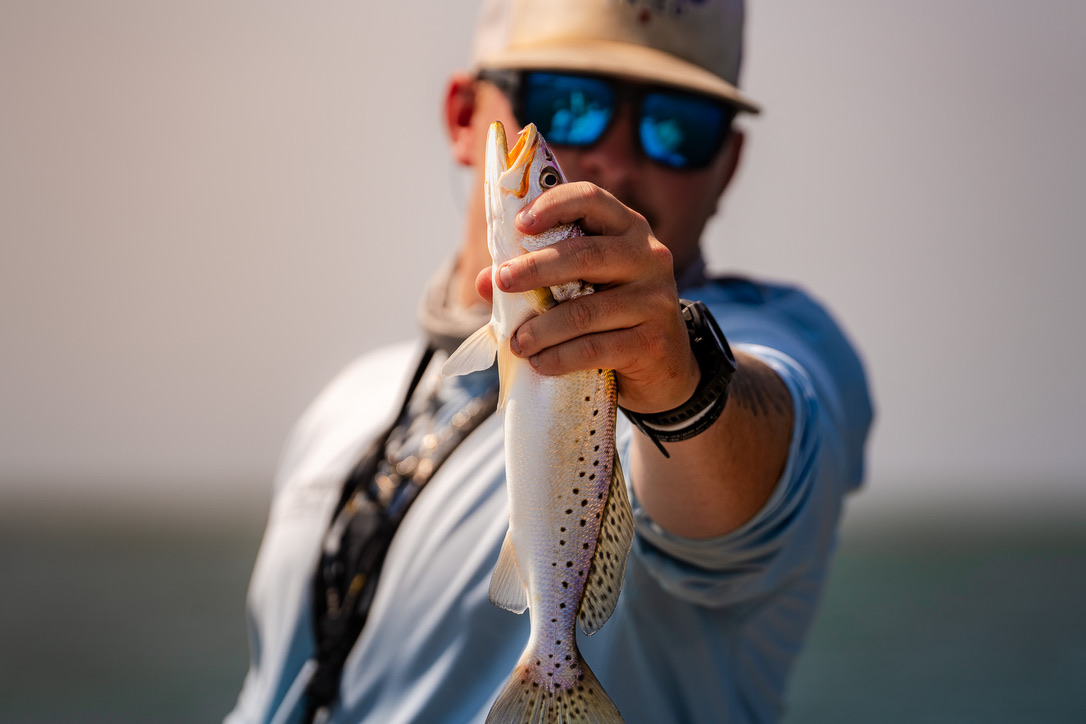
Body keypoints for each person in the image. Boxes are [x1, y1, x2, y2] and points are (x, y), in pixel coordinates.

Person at [226, 0, 874, 722]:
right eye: (568, 103)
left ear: (729, 163)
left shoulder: (792, 341)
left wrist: (679, 382)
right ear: (465, 117)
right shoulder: (349, 402)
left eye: (678, 126)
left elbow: (756, 466)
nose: (616, 162)